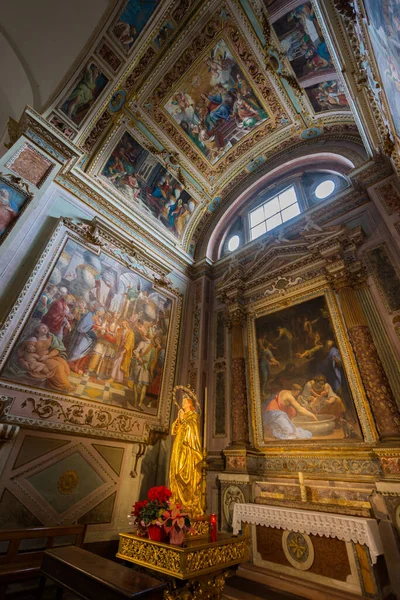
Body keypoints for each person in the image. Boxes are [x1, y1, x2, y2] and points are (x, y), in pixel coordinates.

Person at [7, 324, 74, 392]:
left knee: (62, 362)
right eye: (42, 328)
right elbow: (22, 352)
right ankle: (65, 386)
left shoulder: (51, 337)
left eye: (46, 328)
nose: (45, 329)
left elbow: (57, 349)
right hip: (38, 360)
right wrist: (23, 361)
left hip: (48, 356)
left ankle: (54, 382)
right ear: (37, 330)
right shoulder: (33, 339)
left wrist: (48, 356)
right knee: (57, 366)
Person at [169, 396, 204, 516]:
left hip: (187, 450)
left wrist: (183, 419)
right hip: (178, 449)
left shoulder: (193, 416)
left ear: (190, 404)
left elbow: (192, 431)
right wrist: (179, 419)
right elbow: (173, 431)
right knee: (175, 473)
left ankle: (188, 504)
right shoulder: (182, 414)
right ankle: (177, 502)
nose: (182, 404)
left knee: (182, 473)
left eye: (184, 402)